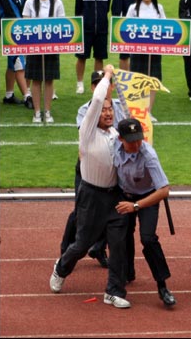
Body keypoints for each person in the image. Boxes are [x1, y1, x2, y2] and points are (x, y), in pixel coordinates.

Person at [49, 64, 131, 309]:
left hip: (115, 196)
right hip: (91, 195)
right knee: (82, 244)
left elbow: (127, 110)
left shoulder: (117, 134)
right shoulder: (87, 131)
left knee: (118, 245)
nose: (108, 113)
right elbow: (96, 101)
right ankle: (61, 268)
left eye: (110, 110)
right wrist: (106, 75)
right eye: (104, 110)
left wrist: (119, 87)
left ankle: (113, 291)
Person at [59, 70, 127, 268]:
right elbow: (87, 134)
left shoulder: (118, 108)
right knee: (80, 212)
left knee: (113, 212)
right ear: (92, 88)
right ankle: (66, 250)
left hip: (112, 169)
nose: (101, 87)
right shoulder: (85, 110)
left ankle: (98, 247)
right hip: (87, 168)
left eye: (104, 83)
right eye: (96, 84)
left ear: (112, 87)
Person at [114, 118, 176, 308]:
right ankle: (127, 272)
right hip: (123, 194)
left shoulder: (148, 154)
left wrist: (136, 206)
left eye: (138, 139)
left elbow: (164, 190)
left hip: (148, 198)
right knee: (122, 234)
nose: (136, 144)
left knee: (148, 239)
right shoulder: (111, 148)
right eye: (131, 140)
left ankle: (162, 286)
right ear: (120, 139)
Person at [22, 0, 64, 124]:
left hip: (51, 47)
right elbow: (25, 24)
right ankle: (37, 112)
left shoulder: (57, 3)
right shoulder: (30, 2)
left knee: (49, 80)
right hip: (34, 48)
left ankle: (47, 111)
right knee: (36, 80)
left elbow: (61, 25)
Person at [126, 0, 165, 123]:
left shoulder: (158, 8)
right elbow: (126, 27)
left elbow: (165, 27)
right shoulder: (133, 8)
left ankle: (148, 111)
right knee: (138, 81)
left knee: (152, 81)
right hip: (138, 51)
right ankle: (137, 112)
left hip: (154, 51)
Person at [74, 0, 111, 95]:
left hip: (101, 29)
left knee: (99, 57)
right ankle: (80, 83)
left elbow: (106, 8)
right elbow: (78, 10)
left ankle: (97, 83)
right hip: (85, 29)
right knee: (81, 57)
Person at [0, 0, 31, 109]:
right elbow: (13, 14)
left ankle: (9, 95)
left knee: (12, 63)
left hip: (12, 31)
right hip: (11, 32)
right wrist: (24, 28)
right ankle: (27, 96)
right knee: (19, 63)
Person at [111, 0, 144, 71]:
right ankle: (124, 83)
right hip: (126, 26)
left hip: (142, 27)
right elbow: (116, 7)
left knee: (140, 55)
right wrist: (119, 24)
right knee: (124, 55)